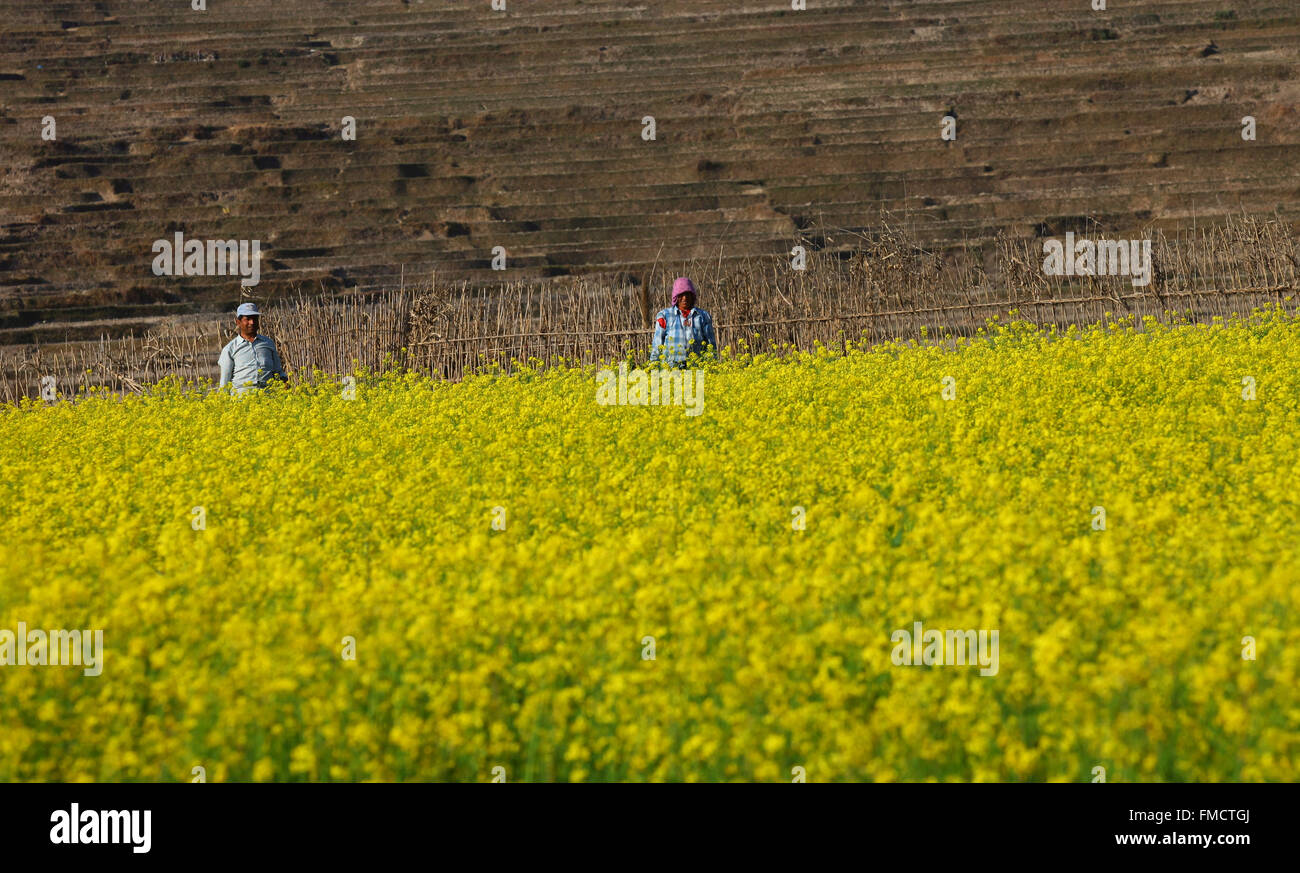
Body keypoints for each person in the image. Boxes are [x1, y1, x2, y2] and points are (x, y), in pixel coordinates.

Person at [218, 302, 287, 393]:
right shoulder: (230, 349)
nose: (252, 322)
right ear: (238, 322)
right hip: (241, 399)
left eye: (255, 319)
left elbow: (278, 371)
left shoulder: (268, 343)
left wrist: (284, 385)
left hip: (268, 396)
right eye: (248, 319)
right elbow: (224, 381)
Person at [649, 277, 718, 368]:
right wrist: (654, 365)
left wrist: (713, 365)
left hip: (696, 367)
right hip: (671, 369)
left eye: (688, 295)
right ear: (676, 297)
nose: (685, 298)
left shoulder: (703, 316)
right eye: (681, 295)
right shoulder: (665, 316)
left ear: (692, 296)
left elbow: (710, 344)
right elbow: (657, 343)